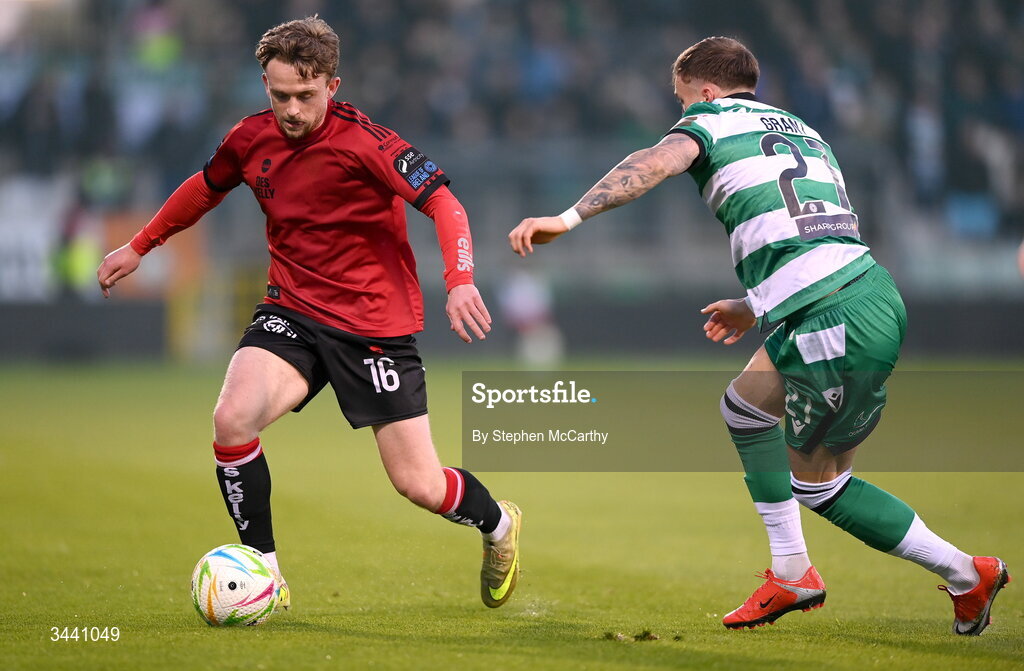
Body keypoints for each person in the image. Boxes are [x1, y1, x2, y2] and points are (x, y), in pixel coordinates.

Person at [509, 36, 1008, 634]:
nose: (683, 112)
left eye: (685, 99)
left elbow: (653, 163)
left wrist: (564, 220)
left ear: (708, 91)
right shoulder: (802, 129)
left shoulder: (709, 122)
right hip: (853, 290)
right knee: (745, 408)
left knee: (820, 485)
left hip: (833, 318)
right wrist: (755, 303)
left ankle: (964, 573)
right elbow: (812, 228)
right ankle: (790, 569)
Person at [98, 16, 522, 611]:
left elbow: (445, 204)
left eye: (305, 95)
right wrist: (140, 244)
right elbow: (205, 186)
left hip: (374, 325)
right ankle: (265, 574)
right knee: (232, 419)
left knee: (418, 485)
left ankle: (499, 524)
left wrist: (460, 281)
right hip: (292, 309)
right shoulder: (250, 138)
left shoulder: (369, 144)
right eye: (279, 96)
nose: (292, 110)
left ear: (333, 85)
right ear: (264, 87)